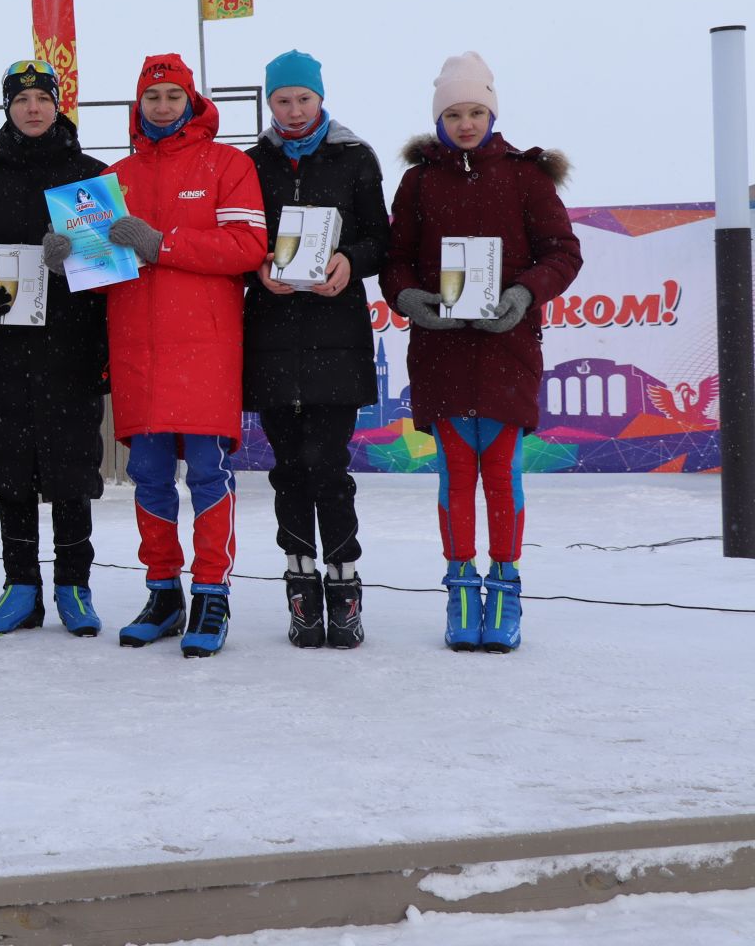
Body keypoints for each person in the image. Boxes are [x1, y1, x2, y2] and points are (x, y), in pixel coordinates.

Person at [65, 53, 265, 658]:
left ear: (192, 100)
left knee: (207, 476)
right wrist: (69, 261)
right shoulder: (116, 176)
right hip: (137, 351)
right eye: (153, 98)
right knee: (149, 478)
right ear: (138, 105)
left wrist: (163, 243)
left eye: (173, 97)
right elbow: (106, 271)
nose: (162, 107)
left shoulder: (228, 164)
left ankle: (211, 593)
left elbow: (248, 245)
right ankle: (162, 592)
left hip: (204, 349)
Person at [380, 52, 581, 653]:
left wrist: (523, 294)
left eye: (476, 111)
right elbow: (395, 259)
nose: (465, 123)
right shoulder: (418, 181)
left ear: (491, 113)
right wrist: (410, 297)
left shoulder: (526, 176)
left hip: (506, 350)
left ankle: (506, 584)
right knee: (454, 476)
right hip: (441, 353)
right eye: (454, 113)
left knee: (502, 476)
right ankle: (461, 583)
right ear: (438, 120)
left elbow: (563, 252)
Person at [0, 61, 109, 639]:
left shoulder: (91, 178)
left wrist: (102, 341)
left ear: (58, 104)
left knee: (71, 473)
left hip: (71, 349)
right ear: (8, 109)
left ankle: (74, 585)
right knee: (10, 471)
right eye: (22, 100)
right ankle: (21, 587)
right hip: (7, 353)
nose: (33, 108)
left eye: (43, 97)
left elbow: (112, 275)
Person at [243, 51, 391, 650]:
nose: (294, 110)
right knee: (287, 471)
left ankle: (344, 583)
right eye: (283, 100)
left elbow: (380, 239)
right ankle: (301, 587)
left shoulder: (355, 158)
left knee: (329, 468)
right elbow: (243, 238)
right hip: (273, 339)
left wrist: (350, 261)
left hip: (336, 339)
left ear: (321, 98)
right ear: (269, 104)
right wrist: (258, 267)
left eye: (304, 98)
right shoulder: (251, 164)